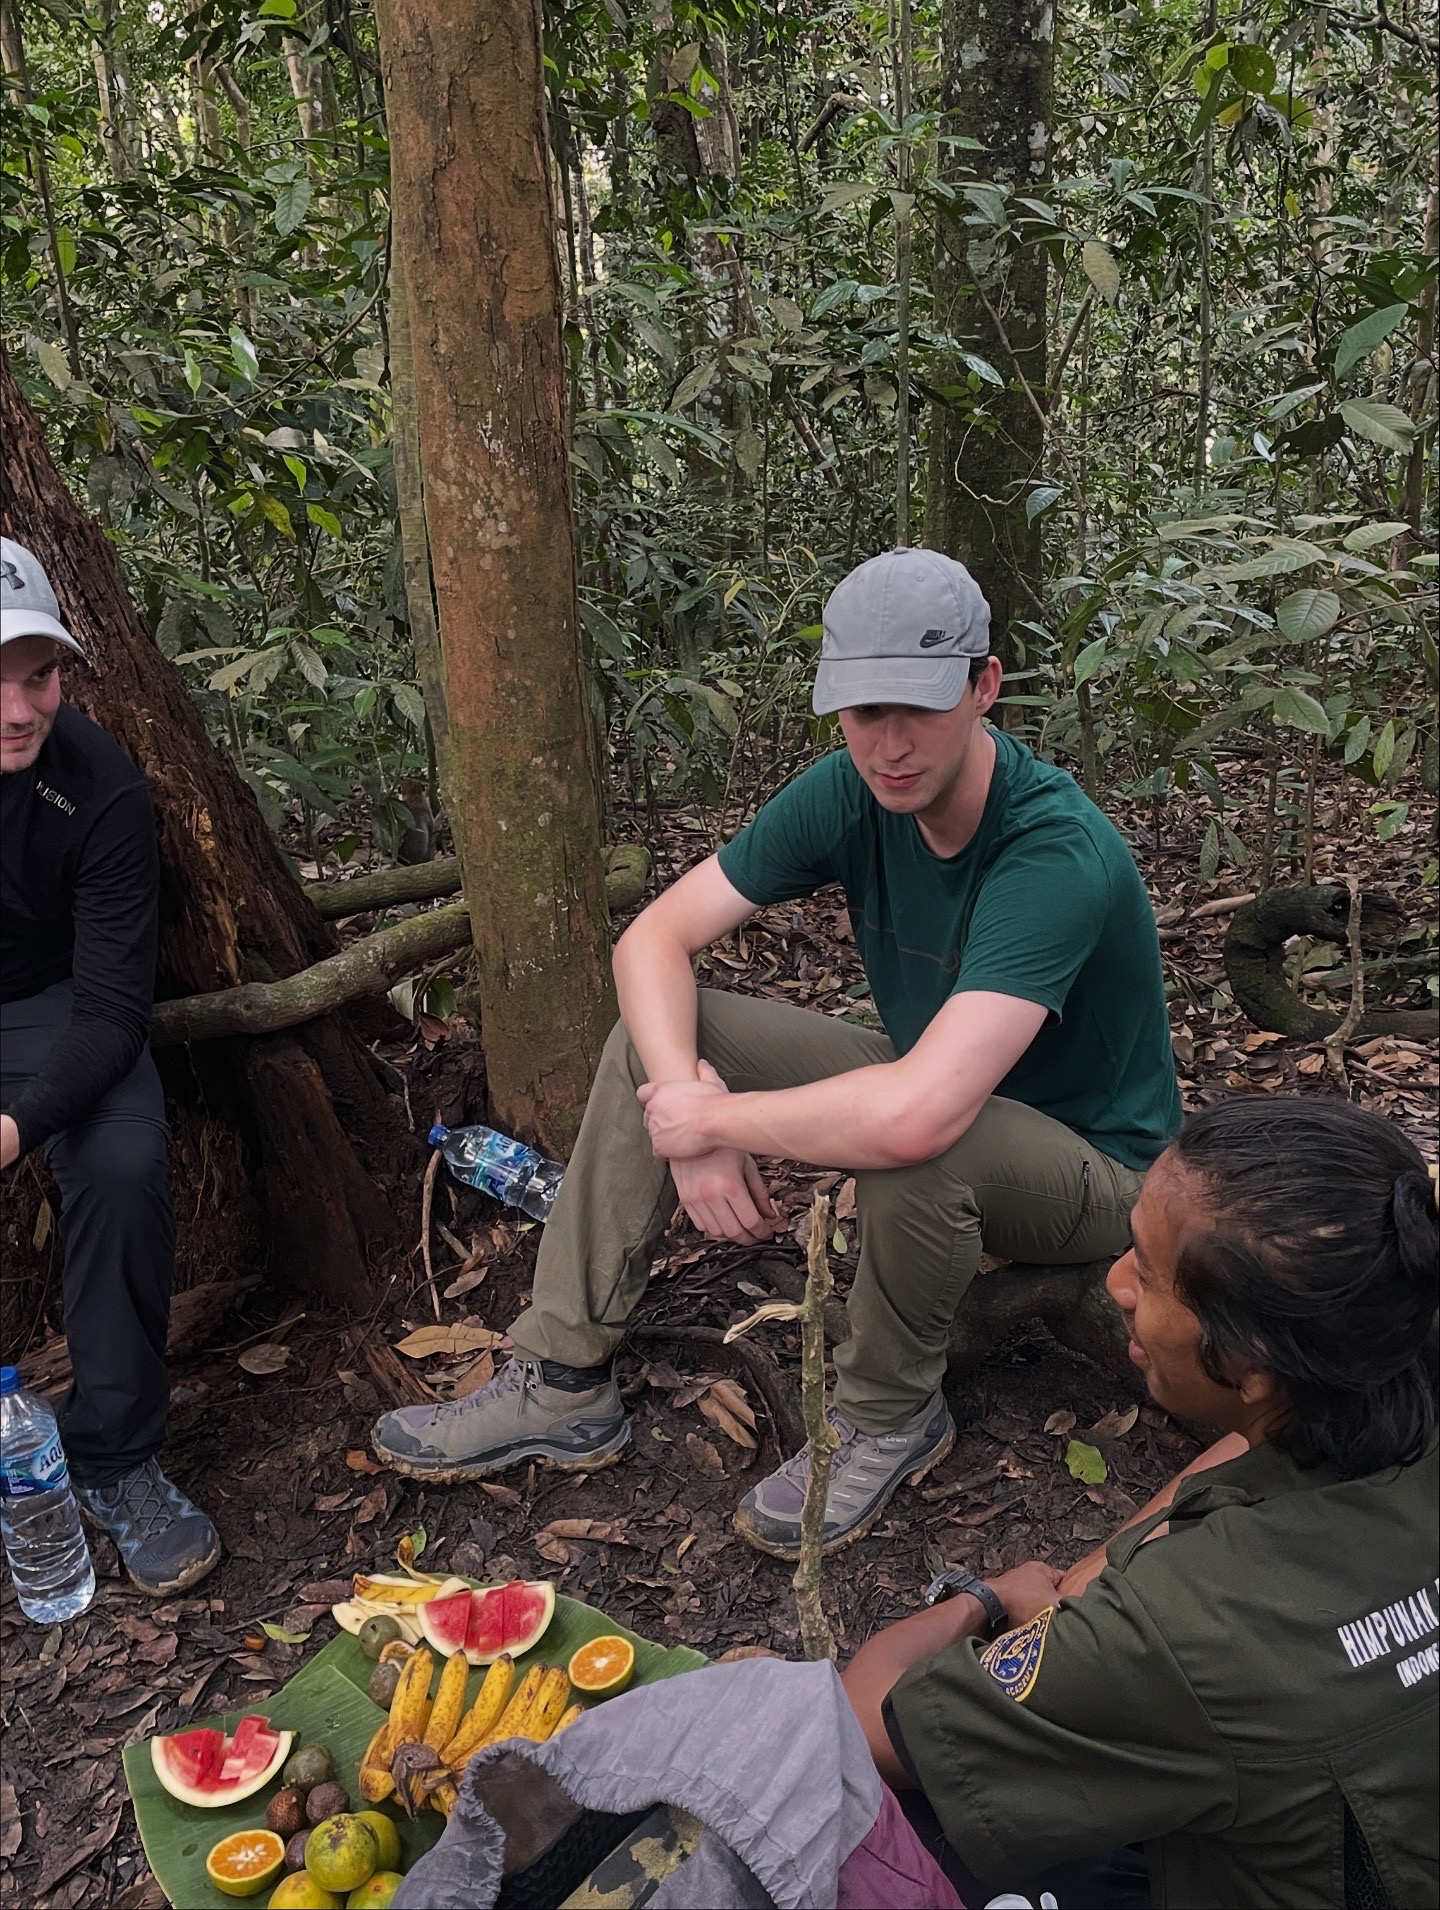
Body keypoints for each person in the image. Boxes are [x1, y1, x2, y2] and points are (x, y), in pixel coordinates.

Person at [373, 546, 1181, 1557]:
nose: (889, 744)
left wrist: (711, 1118)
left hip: (1096, 1166)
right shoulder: (851, 790)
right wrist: (684, 1101)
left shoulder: (1051, 848)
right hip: (940, 1083)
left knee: (921, 1140)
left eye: (920, 707)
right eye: (863, 711)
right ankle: (561, 1374)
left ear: (984, 687)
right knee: (664, 1033)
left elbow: (920, 1114)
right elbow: (652, 940)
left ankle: (888, 1413)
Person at [841, 1095, 1439, 1909]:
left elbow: (870, 1723)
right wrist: (1107, 1569)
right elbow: (1251, 1455)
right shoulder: (1395, 1349)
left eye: (1149, 1275)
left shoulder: (1184, 1629)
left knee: (911, 1819)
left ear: (1251, 1366)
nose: (1116, 1281)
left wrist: (986, 1598)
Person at [1, 538, 220, 1596]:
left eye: (38, 676)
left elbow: (109, 1012)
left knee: (122, 1159)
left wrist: (15, 1129)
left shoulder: (97, 788)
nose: (19, 709)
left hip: (52, 1004)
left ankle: (115, 1456)